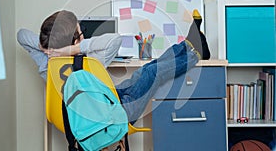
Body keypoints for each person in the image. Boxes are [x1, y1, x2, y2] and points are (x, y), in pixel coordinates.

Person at [17, 10, 210, 123]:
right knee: (153, 72)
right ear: (74, 40)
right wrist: (73, 49)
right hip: (116, 114)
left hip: (106, 104)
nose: (83, 34)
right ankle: (196, 54)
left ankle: (189, 44)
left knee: (144, 71)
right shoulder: (90, 61)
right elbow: (114, 40)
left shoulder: (46, 65)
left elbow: (22, 35)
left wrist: (51, 49)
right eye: (80, 30)